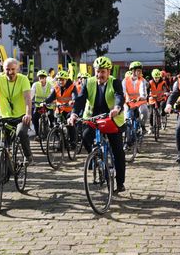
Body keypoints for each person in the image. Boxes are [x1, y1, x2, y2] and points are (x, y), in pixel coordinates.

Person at [68, 56, 126, 193]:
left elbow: (119, 96)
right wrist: (74, 113)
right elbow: (80, 100)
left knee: (118, 150)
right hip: (93, 117)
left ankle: (120, 182)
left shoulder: (115, 82)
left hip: (111, 117)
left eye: (103, 71)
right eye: (98, 71)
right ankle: (96, 157)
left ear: (108, 71)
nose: (100, 74)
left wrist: (117, 108)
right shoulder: (88, 82)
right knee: (86, 136)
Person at [123, 61, 149, 137]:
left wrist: (141, 97)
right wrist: (124, 100)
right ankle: (127, 139)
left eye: (140, 70)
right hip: (129, 102)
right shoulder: (125, 80)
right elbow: (123, 92)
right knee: (127, 119)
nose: (140, 72)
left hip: (140, 101)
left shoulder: (142, 80)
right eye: (138, 70)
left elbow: (143, 90)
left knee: (144, 112)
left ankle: (142, 126)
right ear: (132, 71)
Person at [31, 70, 55, 137]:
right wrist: (29, 100)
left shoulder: (50, 85)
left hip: (48, 105)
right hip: (39, 105)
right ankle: (37, 134)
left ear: (46, 78)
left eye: (43, 77)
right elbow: (31, 94)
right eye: (40, 77)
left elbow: (52, 94)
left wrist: (50, 101)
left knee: (51, 116)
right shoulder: (35, 85)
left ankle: (53, 129)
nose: (41, 79)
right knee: (35, 117)